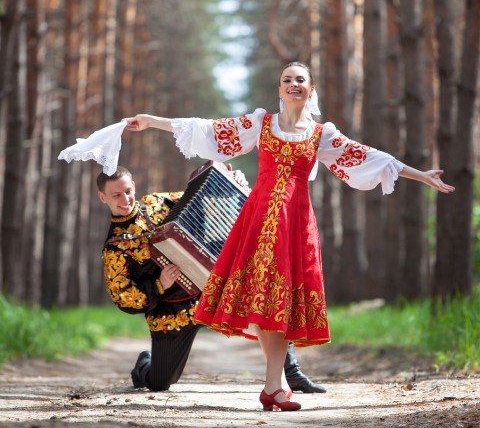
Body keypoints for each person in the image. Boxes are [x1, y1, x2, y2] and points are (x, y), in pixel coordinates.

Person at [123, 62, 455, 410]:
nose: (293, 84)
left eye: (300, 80)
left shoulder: (321, 134)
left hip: (294, 224)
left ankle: (274, 384)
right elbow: (208, 130)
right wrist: (151, 121)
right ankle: (274, 385)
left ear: (311, 90)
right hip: (257, 221)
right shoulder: (260, 124)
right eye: (287, 80)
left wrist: (422, 175)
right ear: (279, 90)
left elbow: (368, 157)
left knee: (277, 300)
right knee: (262, 300)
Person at [97, 163, 326, 393]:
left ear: (134, 186)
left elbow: (203, 195)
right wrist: (159, 285)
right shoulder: (115, 248)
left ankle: (291, 372)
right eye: (116, 195)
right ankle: (144, 366)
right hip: (171, 313)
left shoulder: (156, 202)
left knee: (264, 299)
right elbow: (123, 297)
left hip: (211, 288)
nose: (125, 199)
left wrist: (230, 180)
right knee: (160, 383)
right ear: (103, 197)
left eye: (128, 191)